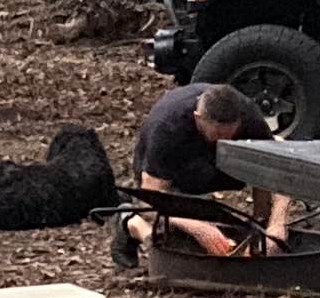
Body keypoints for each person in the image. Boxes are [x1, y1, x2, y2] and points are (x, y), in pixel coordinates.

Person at [124, 81, 300, 259]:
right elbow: (151, 197)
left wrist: (275, 223)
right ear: (198, 117)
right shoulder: (168, 127)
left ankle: (256, 229)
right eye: (218, 135)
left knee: (268, 150)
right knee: (173, 238)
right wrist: (196, 227)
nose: (224, 140)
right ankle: (132, 223)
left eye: (230, 135)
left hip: (214, 168)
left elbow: (276, 168)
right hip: (175, 174)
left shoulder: (249, 117)